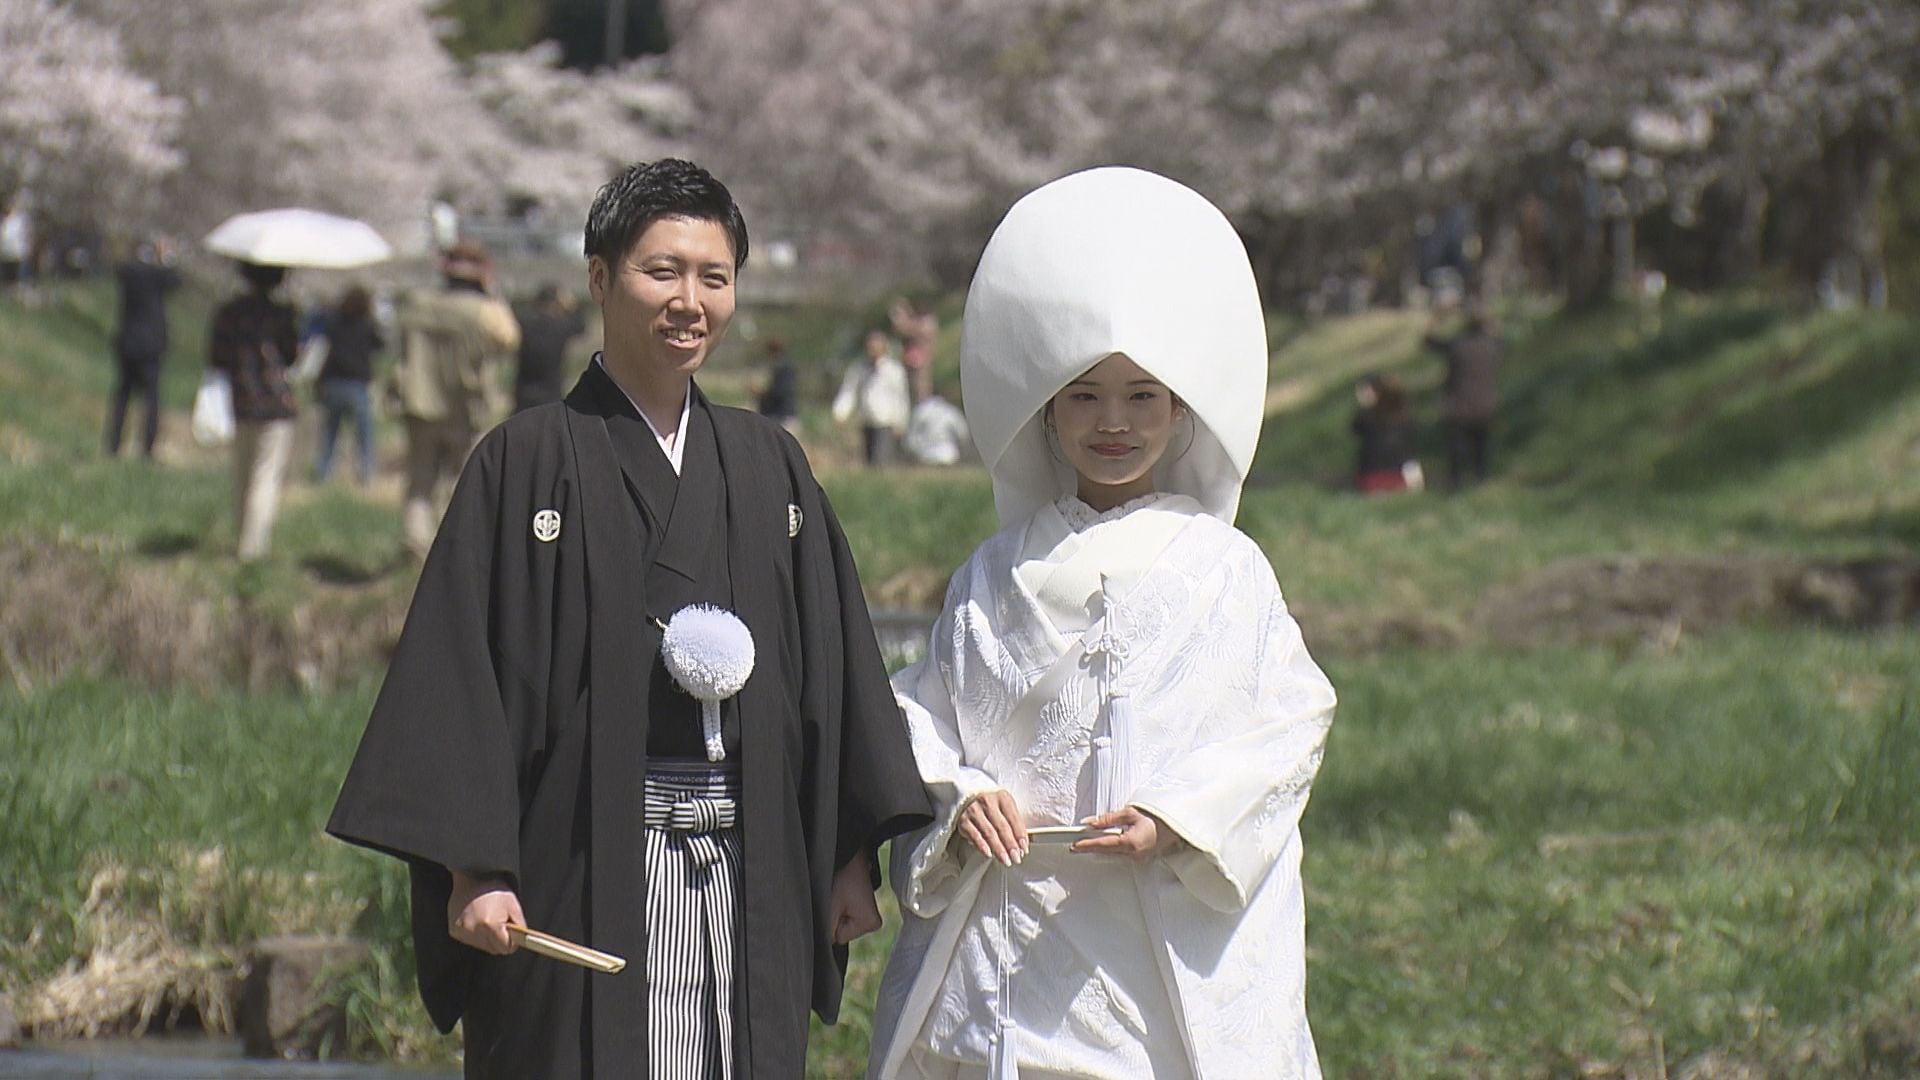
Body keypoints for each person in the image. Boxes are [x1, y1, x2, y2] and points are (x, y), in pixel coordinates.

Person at [328, 158, 932, 1080]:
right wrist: (473, 868)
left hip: (753, 863)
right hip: (577, 866)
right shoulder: (522, 463)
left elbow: (833, 666)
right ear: (600, 278)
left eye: (714, 277)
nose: (690, 301)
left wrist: (849, 854)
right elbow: (459, 677)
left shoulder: (769, 465)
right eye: (663, 271)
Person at [868, 167, 1337, 1080]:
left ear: (1180, 408)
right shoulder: (993, 572)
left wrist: (1181, 817)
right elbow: (918, 712)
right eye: (1083, 395)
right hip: (1008, 948)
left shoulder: (1226, 569)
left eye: (1142, 396)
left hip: (1161, 939)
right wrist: (962, 796)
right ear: (1046, 410)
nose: (1112, 422)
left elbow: (1289, 720)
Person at [386, 239, 520, 557]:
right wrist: (493, 293)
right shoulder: (485, 312)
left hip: (420, 404)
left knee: (420, 482)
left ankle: (416, 542)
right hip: (466, 407)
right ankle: (453, 549)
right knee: (463, 482)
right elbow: (511, 340)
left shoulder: (417, 304)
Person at [208, 261, 300, 560]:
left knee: (242, 475)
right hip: (276, 403)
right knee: (265, 476)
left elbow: (217, 357)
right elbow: (291, 356)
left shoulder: (229, 313)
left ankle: (241, 540)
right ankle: (252, 549)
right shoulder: (282, 314)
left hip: (242, 401)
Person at [104, 236, 182, 459]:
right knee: (151, 398)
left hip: (127, 342)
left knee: (122, 395)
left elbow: (119, 268)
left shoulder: (128, 272)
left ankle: (113, 445)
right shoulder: (157, 275)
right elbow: (177, 281)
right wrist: (166, 257)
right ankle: (147, 448)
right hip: (151, 345)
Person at [1424, 303, 1503, 489]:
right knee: (1481, 450)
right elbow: (1501, 337)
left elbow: (1428, 341)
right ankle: (1482, 482)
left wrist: (1437, 318)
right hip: (1485, 405)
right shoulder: (1492, 347)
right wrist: (1489, 318)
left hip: (1457, 405)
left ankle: (1456, 483)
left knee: (1456, 452)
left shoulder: (1457, 346)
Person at [313, 285, 385, 486]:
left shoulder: (334, 325)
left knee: (330, 433)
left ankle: (324, 473)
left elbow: (321, 333)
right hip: (356, 384)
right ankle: (366, 474)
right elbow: (381, 345)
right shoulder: (366, 327)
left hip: (333, 382)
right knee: (364, 434)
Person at [831, 328, 910, 466]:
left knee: (880, 461)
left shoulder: (893, 370)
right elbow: (849, 392)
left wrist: (901, 422)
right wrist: (840, 412)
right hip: (866, 421)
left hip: (885, 423)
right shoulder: (859, 369)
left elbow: (900, 398)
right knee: (869, 462)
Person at [511, 283, 588, 413]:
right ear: (555, 304)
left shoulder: (524, 324)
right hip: (551, 396)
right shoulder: (560, 326)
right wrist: (572, 305)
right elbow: (580, 325)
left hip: (524, 395)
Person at [1349, 372, 1420, 494]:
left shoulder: (1365, 419)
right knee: (1410, 462)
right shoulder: (1405, 419)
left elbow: (1356, 427)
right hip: (1401, 477)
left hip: (1371, 479)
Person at [901, 389, 971, 466]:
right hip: (948, 454)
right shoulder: (950, 411)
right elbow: (963, 434)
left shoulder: (921, 410)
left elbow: (910, 440)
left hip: (926, 454)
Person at [891, 296, 938, 404]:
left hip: (921, 363)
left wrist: (899, 318)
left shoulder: (926, 322)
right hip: (910, 363)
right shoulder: (914, 323)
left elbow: (905, 329)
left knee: (922, 391)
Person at [754, 338, 799, 432]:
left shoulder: (784, 369)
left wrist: (762, 393)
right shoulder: (780, 368)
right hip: (780, 416)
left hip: (782, 417)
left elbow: (780, 391)